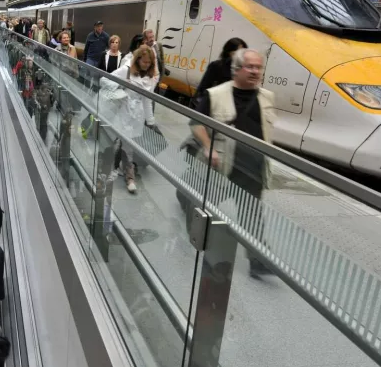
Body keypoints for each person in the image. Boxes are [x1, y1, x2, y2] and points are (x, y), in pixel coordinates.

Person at [181, 48, 275, 278]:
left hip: (253, 167)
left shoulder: (267, 97)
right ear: (237, 69)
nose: (255, 71)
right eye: (250, 67)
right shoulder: (216, 95)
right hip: (221, 164)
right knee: (204, 205)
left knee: (251, 213)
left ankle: (258, 260)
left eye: (258, 67)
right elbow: (195, 123)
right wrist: (207, 146)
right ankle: (196, 234)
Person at [100, 45, 159, 193]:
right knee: (119, 143)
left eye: (149, 63)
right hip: (122, 111)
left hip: (137, 115)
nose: (147, 65)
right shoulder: (126, 70)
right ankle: (118, 173)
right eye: (144, 62)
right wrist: (120, 90)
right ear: (137, 60)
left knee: (127, 145)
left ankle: (124, 174)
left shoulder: (150, 78)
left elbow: (147, 100)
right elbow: (104, 80)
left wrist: (150, 121)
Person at [192, 37, 248, 105]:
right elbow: (202, 90)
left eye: (243, 52)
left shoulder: (245, 69)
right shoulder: (216, 66)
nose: (241, 56)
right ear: (229, 53)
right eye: (237, 52)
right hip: (216, 106)